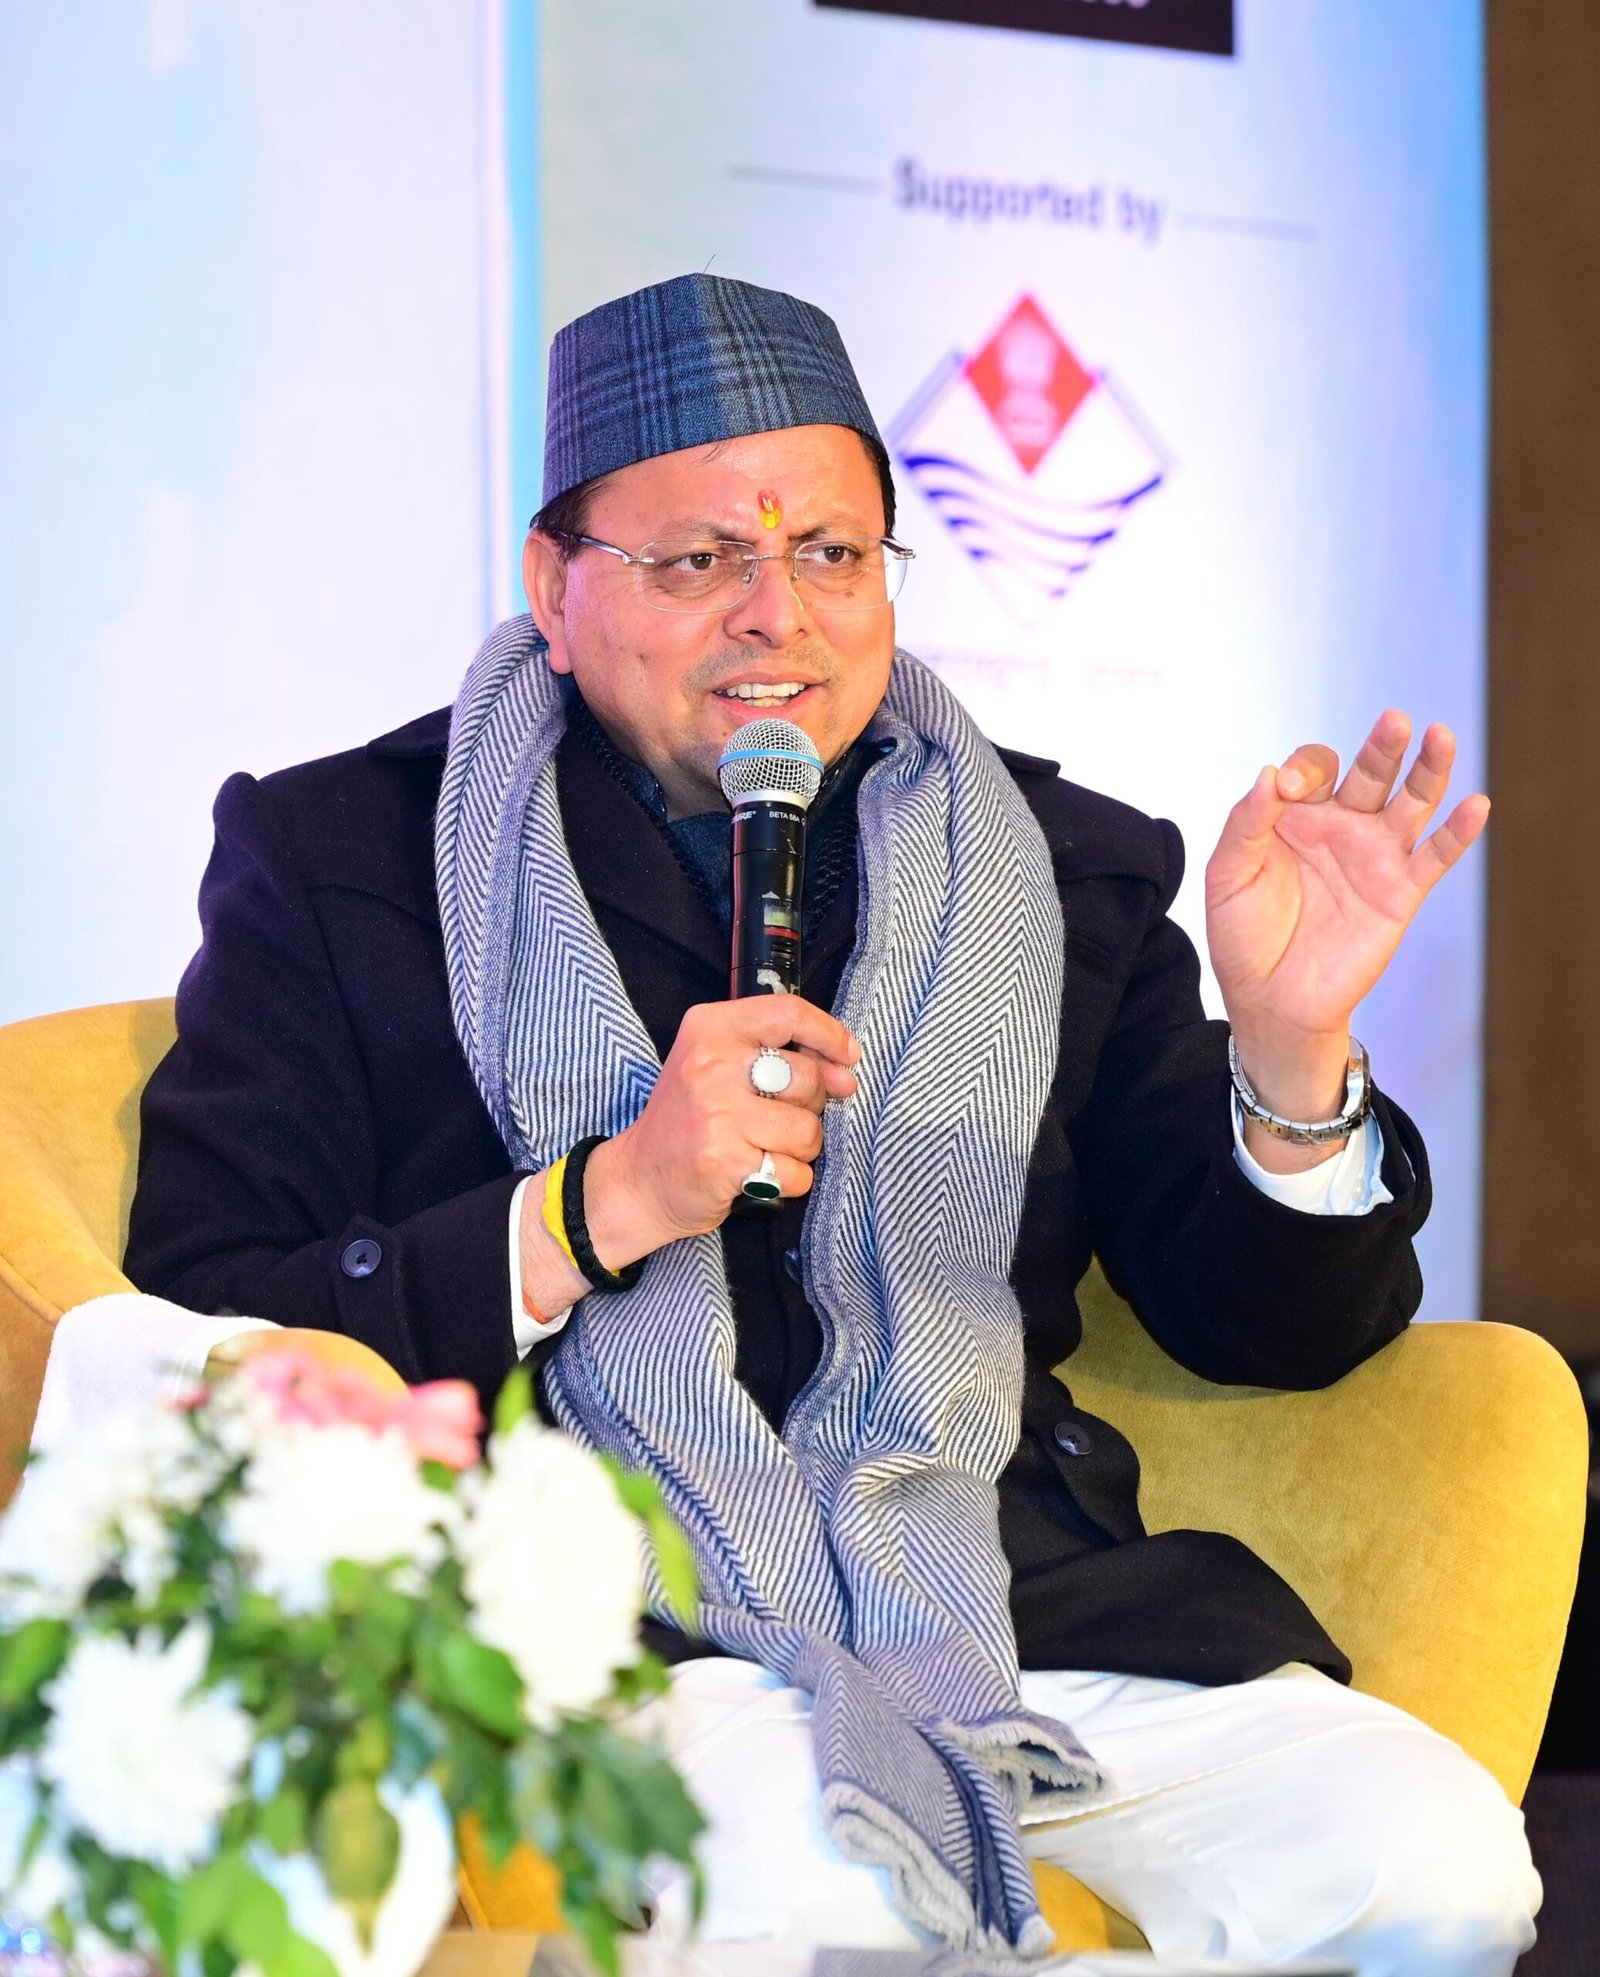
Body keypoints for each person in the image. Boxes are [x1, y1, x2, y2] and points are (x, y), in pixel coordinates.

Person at [95, 275, 1534, 1971]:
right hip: (618, 1623)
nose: (777, 615)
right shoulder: (347, 864)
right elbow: (206, 1312)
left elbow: (1267, 1326)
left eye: (833, 554)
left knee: (1435, 1864)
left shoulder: (1059, 871)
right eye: (701, 559)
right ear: (554, 586)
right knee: (845, 1904)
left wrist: (1293, 1053)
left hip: (1007, 1602)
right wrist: (600, 1203)